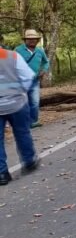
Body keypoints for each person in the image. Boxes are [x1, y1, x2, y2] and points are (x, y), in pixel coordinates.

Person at [0, 47, 40, 185]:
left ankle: (2, 173)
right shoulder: (13, 56)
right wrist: (21, 91)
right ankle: (29, 162)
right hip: (17, 103)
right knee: (22, 133)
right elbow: (28, 77)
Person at [15, 29, 50, 128]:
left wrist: (43, 70)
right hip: (21, 81)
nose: (32, 40)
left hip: (34, 81)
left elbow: (46, 62)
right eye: (29, 39)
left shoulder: (40, 51)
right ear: (25, 40)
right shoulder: (18, 50)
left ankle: (33, 122)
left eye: (34, 39)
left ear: (37, 40)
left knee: (34, 102)